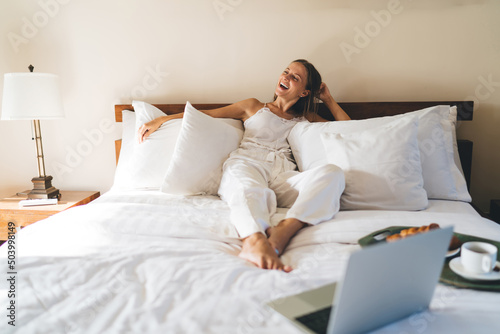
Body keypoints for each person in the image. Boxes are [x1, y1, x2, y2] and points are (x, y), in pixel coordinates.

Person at [138, 59, 350, 272]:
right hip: (249, 163)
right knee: (250, 189)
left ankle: (285, 230)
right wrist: (162, 120)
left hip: (283, 173)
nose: (285, 77)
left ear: (304, 92)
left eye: (295, 77)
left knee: (332, 174)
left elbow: (350, 130)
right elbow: (206, 115)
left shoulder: (307, 118)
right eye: (286, 72)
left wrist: (328, 100)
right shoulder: (254, 106)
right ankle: (254, 241)